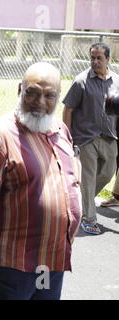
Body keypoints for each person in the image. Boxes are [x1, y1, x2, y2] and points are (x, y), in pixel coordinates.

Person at [0, 62, 82, 300]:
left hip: (50, 261)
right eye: (32, 92)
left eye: (49, 95)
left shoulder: (60, 130)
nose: (40, 102)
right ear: (20, 90)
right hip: (14, 263)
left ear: (58, 97)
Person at [63, 42, 119, 235]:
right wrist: (67, 135)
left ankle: (76, 201)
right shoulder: (81, 81)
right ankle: (88, 218)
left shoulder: (117, 81)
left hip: (110, 137)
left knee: (108, 172)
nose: (95, 61)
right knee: (87, 178)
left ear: (108, 59)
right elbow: (68, 109)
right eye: (92, 58)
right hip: (86, 137)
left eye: (99, 58)